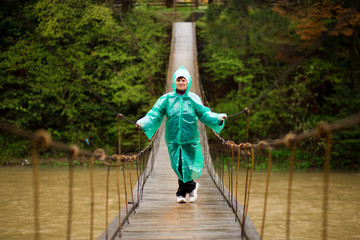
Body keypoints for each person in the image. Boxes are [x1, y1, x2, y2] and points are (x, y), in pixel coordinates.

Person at [136, 66, 227, 203]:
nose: (181, 82)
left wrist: (218, 118)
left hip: (190, 138)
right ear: (174, 82)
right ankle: (192, 186)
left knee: (187, 165)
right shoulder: (166, 99)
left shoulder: (193, 99)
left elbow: (204, 113)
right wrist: (144, 123)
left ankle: (181, 192)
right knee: (177, 164)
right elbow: (155, 114)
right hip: (173, 138)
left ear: (188, 82)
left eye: (183, 80)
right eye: (178, 80)